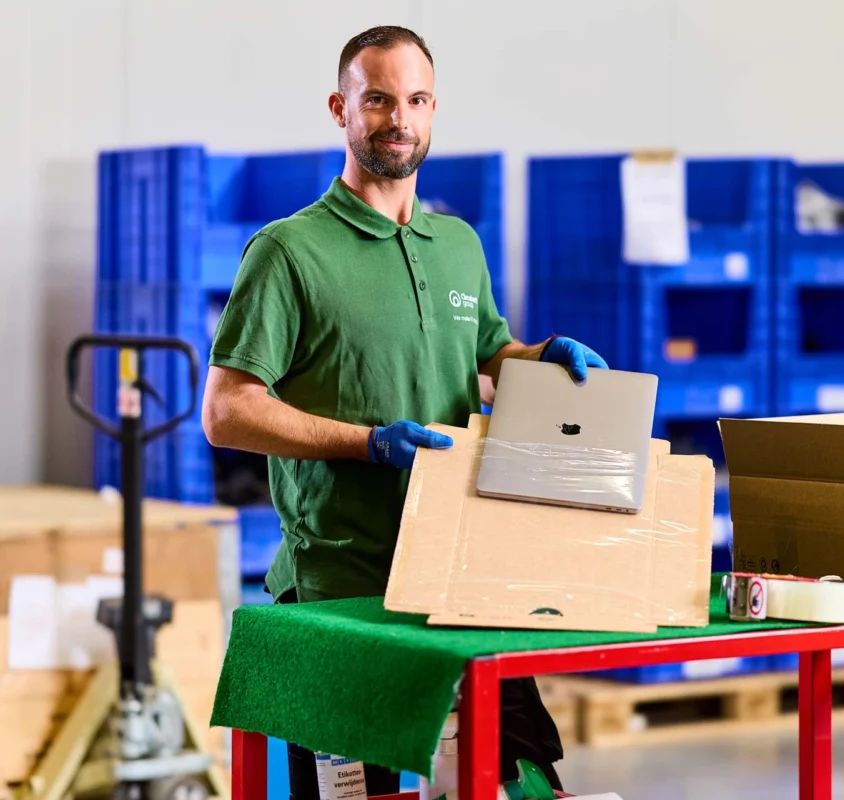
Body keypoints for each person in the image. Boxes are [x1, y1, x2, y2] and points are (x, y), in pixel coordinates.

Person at [201, 24, 603, 798]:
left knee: (512, 782)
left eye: (416, 100)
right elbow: (227, 411)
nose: (399, 119)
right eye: (378, 99)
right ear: (340, 108)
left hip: (462, 577)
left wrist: (539, 356)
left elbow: (488, 354)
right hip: (344, 590)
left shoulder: (457, 243)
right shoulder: (289, 251)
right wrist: (367, 443)